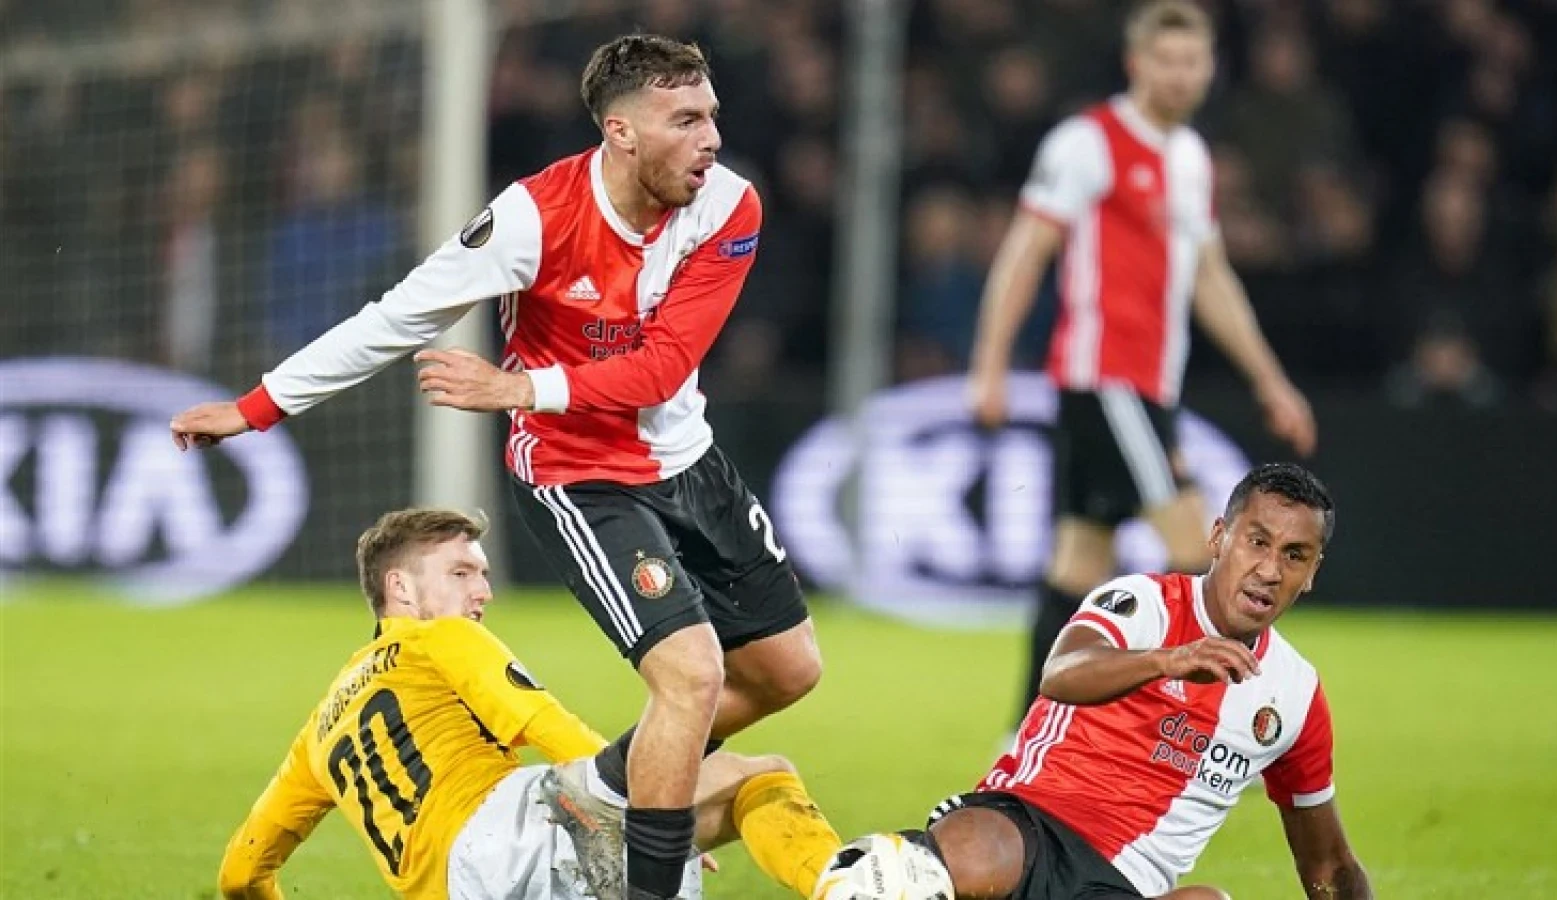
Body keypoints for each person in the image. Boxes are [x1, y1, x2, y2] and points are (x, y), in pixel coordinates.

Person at [171, 34, 822, 900]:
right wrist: (256, 408)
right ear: (621, 133)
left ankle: (606, 788)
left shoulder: (730, 204)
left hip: (688, 460)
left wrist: (515, 383)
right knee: (693, 675)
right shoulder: (533, 217)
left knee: (788, 671)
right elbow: (397, 317)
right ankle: (651, 888)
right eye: (686, 120)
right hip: (577, 474)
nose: (711, 138)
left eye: (712, 116)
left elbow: (663, 368)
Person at [963, 0, 1320, 727]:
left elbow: (1210, 276)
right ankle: (1213, 726)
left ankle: (1029, 726)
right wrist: (989, 367)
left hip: (1148, 387)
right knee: (1202, 546)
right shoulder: (1086, 143)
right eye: (1168, 60)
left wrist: (1269, 378)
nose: (1182, 74)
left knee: (1077, 562)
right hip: (1105, 380)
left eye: (1194, 61)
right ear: (1137, 64)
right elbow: (1026, 252)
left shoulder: (1189, 159)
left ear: (1210, 67)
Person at [216, 508, 842, 900]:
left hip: (464, 884)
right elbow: (541, 720)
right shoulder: (441, 639)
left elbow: (240, 875)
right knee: (761, 775)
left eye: (483, 573)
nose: (482, 590)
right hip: (508, 833)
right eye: (461, 573)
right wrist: (654, 806)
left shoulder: (320, 728)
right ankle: (844, 886)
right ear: (399, 587)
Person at [841, 463, 1371, 900]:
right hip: (1029, 828)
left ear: (1312, 573)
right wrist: (1167, 660)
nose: (1270, 570)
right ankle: (897, 877)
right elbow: (1061, 673)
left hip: (1121, 888)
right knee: (970, 858)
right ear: (1218, 536)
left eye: (1293, 555)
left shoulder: (1295, 695)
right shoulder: (1143, 603)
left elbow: (1326, 861)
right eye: (1257, 542)